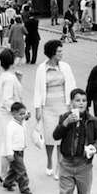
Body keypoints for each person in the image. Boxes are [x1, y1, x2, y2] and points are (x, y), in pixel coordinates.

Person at [34, 40, 76, 178]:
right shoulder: (42, 69)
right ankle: (49, 162)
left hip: (63, 106)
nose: (61, 53)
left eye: (61, 51)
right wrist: (38, 108)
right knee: (49, 137)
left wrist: (74, 104)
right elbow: (38, 90)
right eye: (59, 51)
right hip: (48, 107)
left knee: (61, 136)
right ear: (52, 53)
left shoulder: (65, 67)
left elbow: (72, 85)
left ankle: (59, 165)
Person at [0, 49, 25, 184]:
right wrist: (19, 112)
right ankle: (5, 174)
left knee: (9, 143)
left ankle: (6, 173)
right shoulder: (9, 78)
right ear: (12, 60)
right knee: (9, 144)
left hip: (10, 114)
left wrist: (18, 80)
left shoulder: (8, 75)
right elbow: (7, 99)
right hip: (9, 116)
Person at [1, 102, 32, 194]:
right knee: (22, 170)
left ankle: (7, 182)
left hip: (20, 150)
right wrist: (9, 153)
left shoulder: (21, 122)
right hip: (14, 152)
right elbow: (8, 141)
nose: (23, 116)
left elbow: (25, 119)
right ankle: (24, 187)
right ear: (13, 114)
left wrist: (27, 116)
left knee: (15, 170)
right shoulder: (11, 126)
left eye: (24, 113)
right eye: (20, 114)